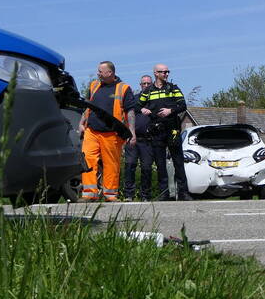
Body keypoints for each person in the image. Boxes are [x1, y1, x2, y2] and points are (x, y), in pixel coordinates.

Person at [80, 61, 137, 202]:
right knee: (88, 160)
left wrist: (132, 132)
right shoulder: (94, 85)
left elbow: (130, 112)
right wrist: (81, 122)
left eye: (100, 71)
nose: (98, 73)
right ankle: (89, 194)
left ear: (110, 73)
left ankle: (110, 195)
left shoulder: (123, 88)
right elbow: (87, 105)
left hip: (112, 133)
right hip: (92, 130)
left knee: (111, 164)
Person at [140, 63, 192, 201]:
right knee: (160, 163)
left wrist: (170, 110)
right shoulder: (148, 91)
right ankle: (164, 193)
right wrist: (142, 110)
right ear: (156, 73)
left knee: (178, 161)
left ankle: (183, 192)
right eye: (163, 72)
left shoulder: (173, 88)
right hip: (156, 131)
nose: (166, 74)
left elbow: (183, 105)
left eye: (168, 72)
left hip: (172, 129)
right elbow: (135, 105)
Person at [123, 75, 154, 201]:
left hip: (148, 140)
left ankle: (145, 195)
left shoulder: (155, 101)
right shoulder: (134, 100)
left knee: (146, 168)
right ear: (140, 85)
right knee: (130, 166)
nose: (146, 86)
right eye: (144, 84)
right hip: (132, 139)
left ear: (152, 85)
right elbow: (126, 117)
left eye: (148, 84)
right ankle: (128, 195)